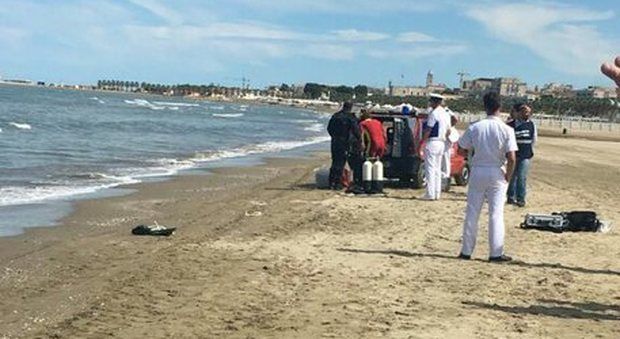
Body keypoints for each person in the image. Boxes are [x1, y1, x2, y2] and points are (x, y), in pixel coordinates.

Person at [457, 91, 517, 262]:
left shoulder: (475, 127)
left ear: (485, 107)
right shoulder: (507, 129)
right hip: (497, 170)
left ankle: (466, 251)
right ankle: (495, 253)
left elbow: (461, 148)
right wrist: (509, 176)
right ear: (500, 107)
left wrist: (472, 154)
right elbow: (512, 157)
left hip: (478, 169)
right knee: (496, 214)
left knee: (472, 212)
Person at [420, 93, 450, 200]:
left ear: (434, 102)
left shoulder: (434, 114)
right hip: (441, 142)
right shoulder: (446, 114)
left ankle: (430, 193)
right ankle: (437, 193)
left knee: (430, 168)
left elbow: (428, 129)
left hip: (433, 141)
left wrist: (422, 141)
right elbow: (449, 131)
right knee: (437, 169)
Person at [506, 103, 537, 207]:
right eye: (524, 111)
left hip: (525, 156)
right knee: (512, 176)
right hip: (513, 155)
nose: (527, 114)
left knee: (522, 177)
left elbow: (533, 140)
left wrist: (529, 151)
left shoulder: (532, 125)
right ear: (519, 113)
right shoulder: (510, 125)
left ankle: (521, 199)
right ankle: (510, 197)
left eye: (528, 112)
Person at [327, 102, 360, 190]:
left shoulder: (335, 116)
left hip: (335, 141)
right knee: (341, 162)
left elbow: (329, 128)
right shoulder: (350, 117)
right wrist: (359, 139)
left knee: (335, 161)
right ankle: (337, 183)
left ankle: (331, 182)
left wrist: (334, 136)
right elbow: (356, 130)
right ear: (350, 107)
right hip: (345, 141)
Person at [441, 109, 459, 184]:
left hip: (446, 143)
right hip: (441, 141)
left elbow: (455, 119)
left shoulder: (447, 111)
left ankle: (446, 177)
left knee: (445, 159)